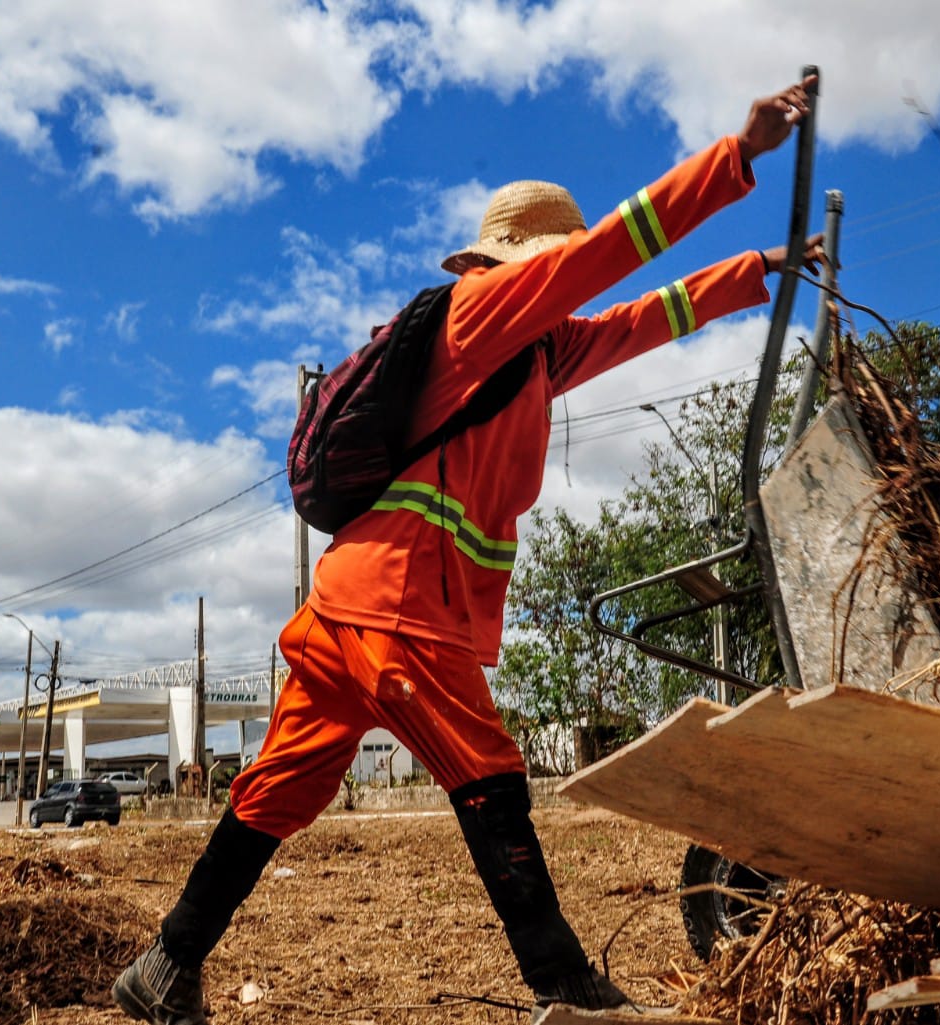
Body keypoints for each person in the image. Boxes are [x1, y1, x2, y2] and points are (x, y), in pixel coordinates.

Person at [113, 76, 826, 1025]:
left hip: (352, 603)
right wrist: (736, 157)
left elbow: (636, 322)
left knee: (282, 784)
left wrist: (756, 270)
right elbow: (617, 251)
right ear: (527, 258)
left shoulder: (534, 347)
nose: (564, 271)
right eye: (557, 258)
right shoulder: (482, 310)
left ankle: (163, 965)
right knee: (490, 775)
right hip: (401, 604)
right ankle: (564, 985)